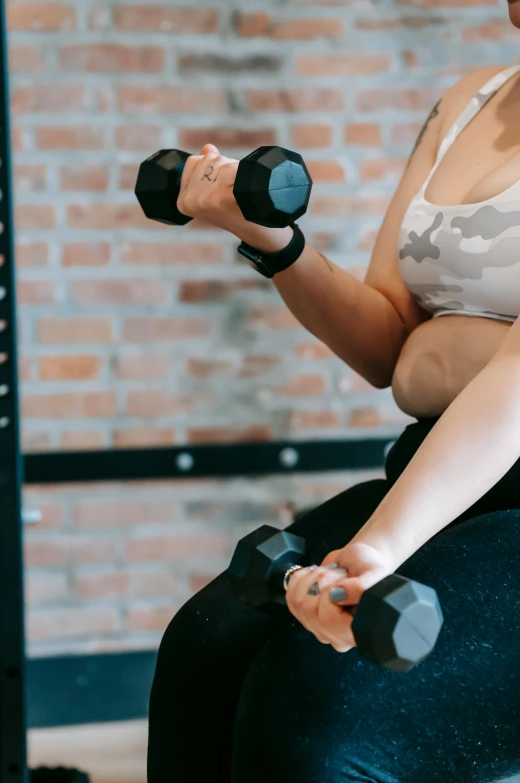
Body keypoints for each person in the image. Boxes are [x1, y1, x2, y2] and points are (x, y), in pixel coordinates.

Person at [147, 6, 520, 782]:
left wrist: (378, 551)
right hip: (439, 469)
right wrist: (270, 237)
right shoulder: (469, 102)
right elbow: (387, 343)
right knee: (205, 642)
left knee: (315, 708)